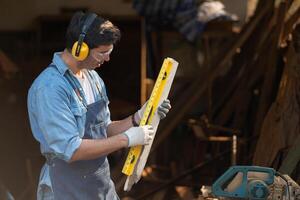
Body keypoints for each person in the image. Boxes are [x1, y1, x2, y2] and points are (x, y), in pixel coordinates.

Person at [27, 11, 171, 200]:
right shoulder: (50, 88)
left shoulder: (93, 77)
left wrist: (137, 117)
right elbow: (72, 149)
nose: (107, 59)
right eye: (103, 53)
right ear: (80, 49)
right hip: (66, 188)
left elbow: (104, 130)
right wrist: (126, 140)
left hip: (98, 185)